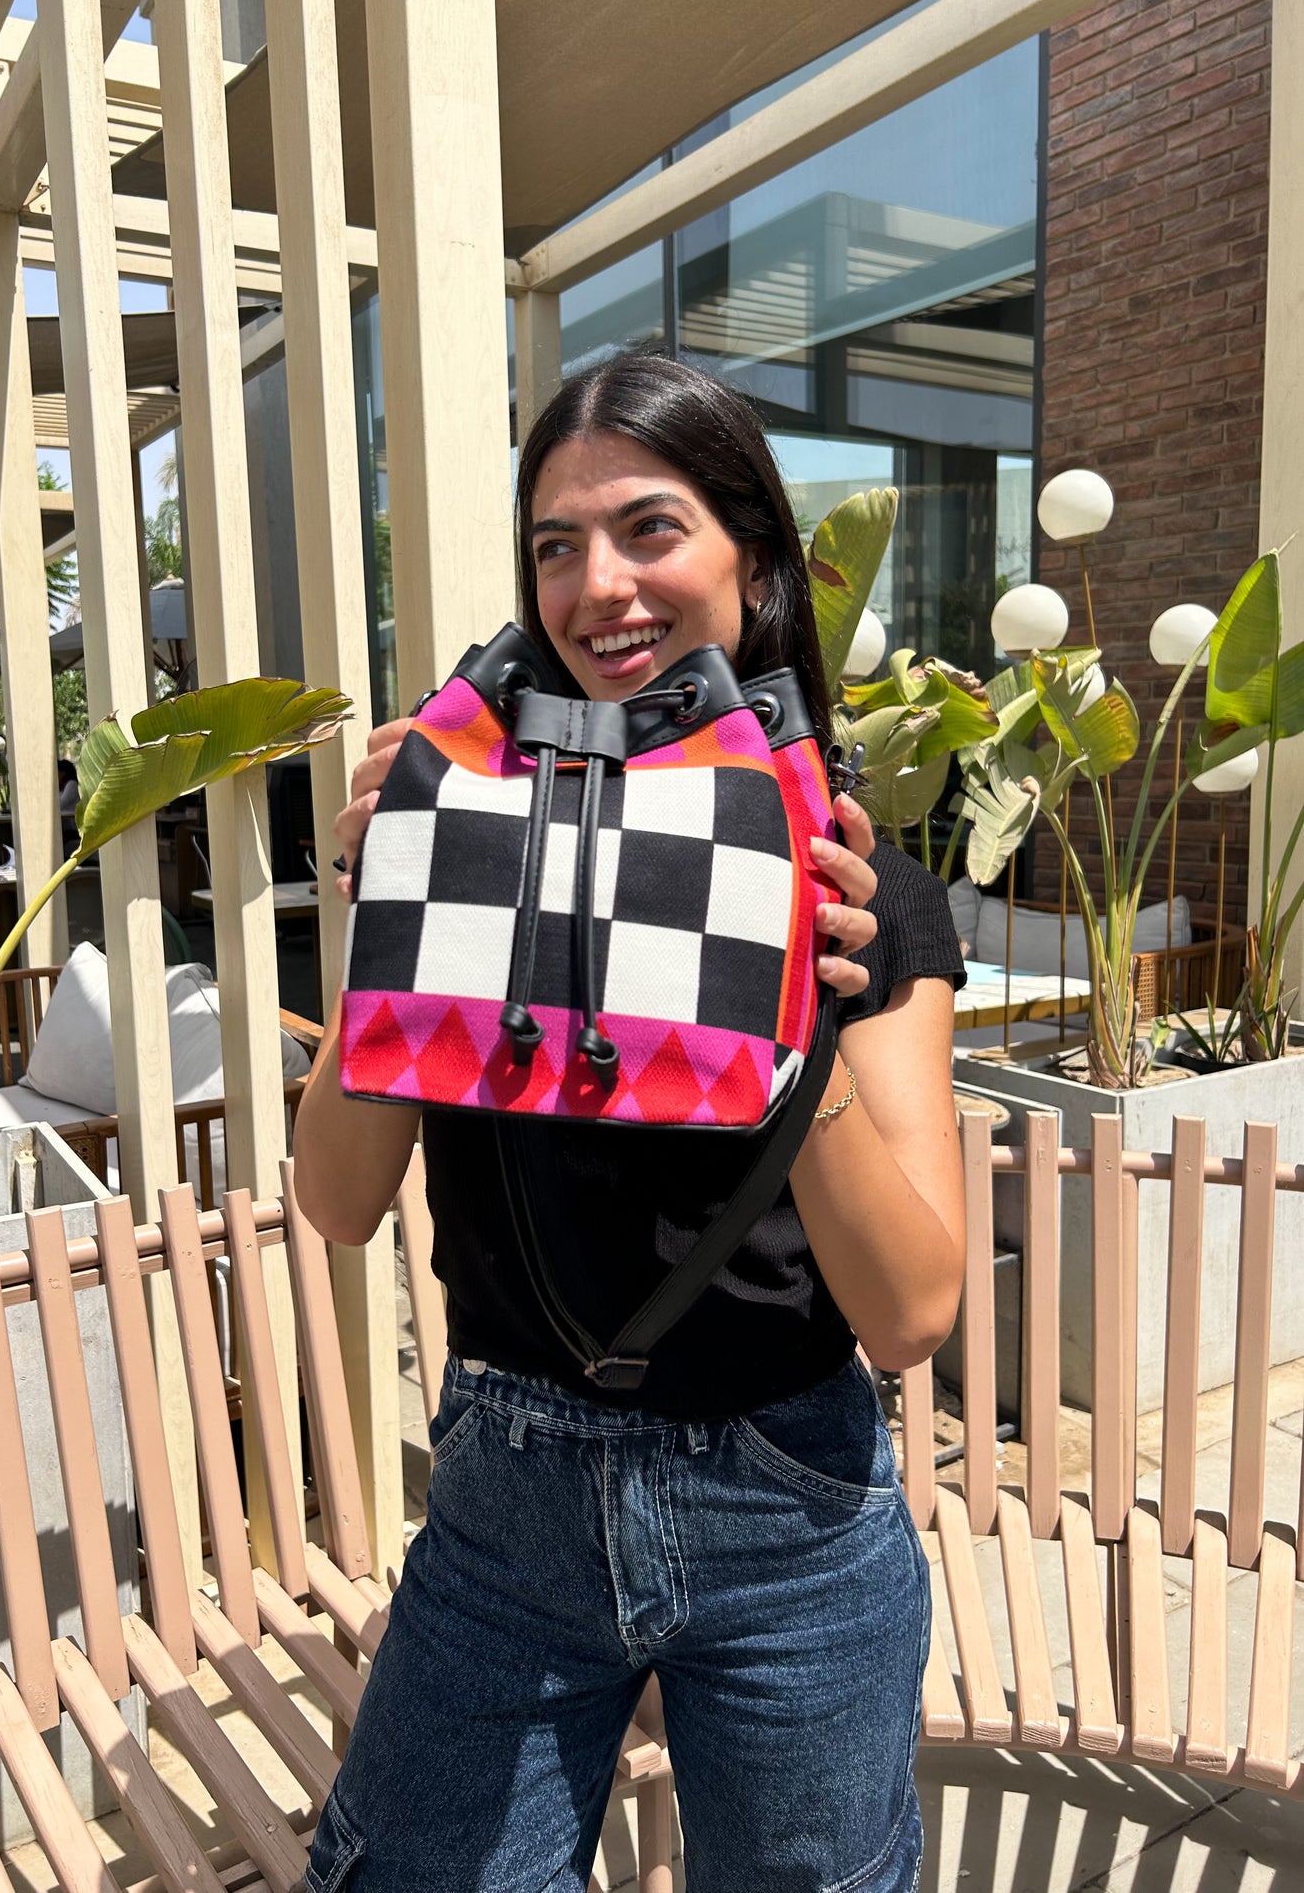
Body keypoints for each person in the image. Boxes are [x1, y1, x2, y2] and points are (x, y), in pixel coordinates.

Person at [293, 353, 967, 1893]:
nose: (599, 584)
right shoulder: (473, 849)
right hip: (506, 1500)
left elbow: (913, 1310)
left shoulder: (863, 896)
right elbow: (336, 1202)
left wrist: (793, 1010)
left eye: (649, 529)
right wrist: (396, 936)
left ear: (748, 553)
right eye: (554, 544)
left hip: (786, 1508)